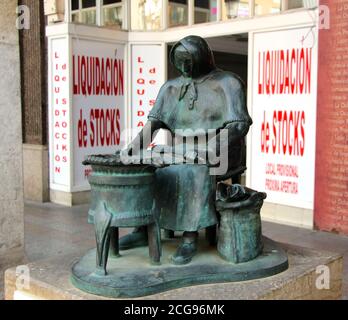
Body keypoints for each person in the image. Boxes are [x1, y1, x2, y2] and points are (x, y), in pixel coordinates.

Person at [120, 35, 252, 265]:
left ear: (202, 56)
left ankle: (190, 238)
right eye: (179, 62)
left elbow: (238, 125)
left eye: (188, 61)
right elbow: (154, 124)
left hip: (221, 149)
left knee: (193, 170)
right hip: (182, 149)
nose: (184, 67)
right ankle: (143, 227)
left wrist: (213, 147)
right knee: (148, 167)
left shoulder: (228, 83)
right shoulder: (171, 87)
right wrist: (134, 147)